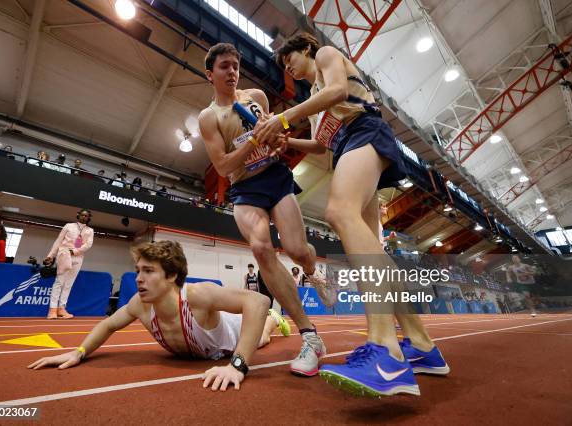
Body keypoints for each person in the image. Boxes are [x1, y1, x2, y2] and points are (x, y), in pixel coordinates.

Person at [255, 33, 449, 396]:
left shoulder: (328, 55)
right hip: (347, 145)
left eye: (290, 59)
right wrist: (287, 142)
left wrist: (282, 119)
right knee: (373, 250)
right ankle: (422, 345)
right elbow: (320, 145)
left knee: (338, 212)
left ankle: (385, 351)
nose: (289, 68)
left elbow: (340, 93)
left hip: (365, 130)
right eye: (283, 65)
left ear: (306, 49)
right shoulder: (313, 97)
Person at [198, 43, 332, 377]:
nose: (232, 72)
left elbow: (277, 138)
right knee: (260, 247)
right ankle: (310, 336)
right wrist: (254, 141)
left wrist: (274, 135)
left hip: (275, 177)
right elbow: (224, 164)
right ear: (209, 73)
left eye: (235, 66)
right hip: (245, 188)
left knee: (298, 250)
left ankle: (315, 271)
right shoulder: (208, 118)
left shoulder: (256, 97)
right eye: (224, 66)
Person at [28, 240, 290, 391]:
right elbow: (108, 325)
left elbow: (258, 300)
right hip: (198, 349)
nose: (139, 279)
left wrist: (238, 365)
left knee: (262, 337)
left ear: (172, 275)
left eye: (149, 271)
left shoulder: (197, 295)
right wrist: (79, 352)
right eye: (138, 270)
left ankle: (273, 321)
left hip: (230, 337)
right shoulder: (140, 304)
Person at [44, 209, 94, 319]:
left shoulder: (90, 230)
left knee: (68, 284)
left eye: (86, 216)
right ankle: (52, 310)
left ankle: (61, 309)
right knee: (59, 282)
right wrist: (50, 255)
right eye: (82, 215)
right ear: (78, 215)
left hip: (78, 257)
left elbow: (88, 244)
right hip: (64, 254)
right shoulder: (69, 226)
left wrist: (75, 251)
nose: (84, 217)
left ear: (89, 218)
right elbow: (58, 241)